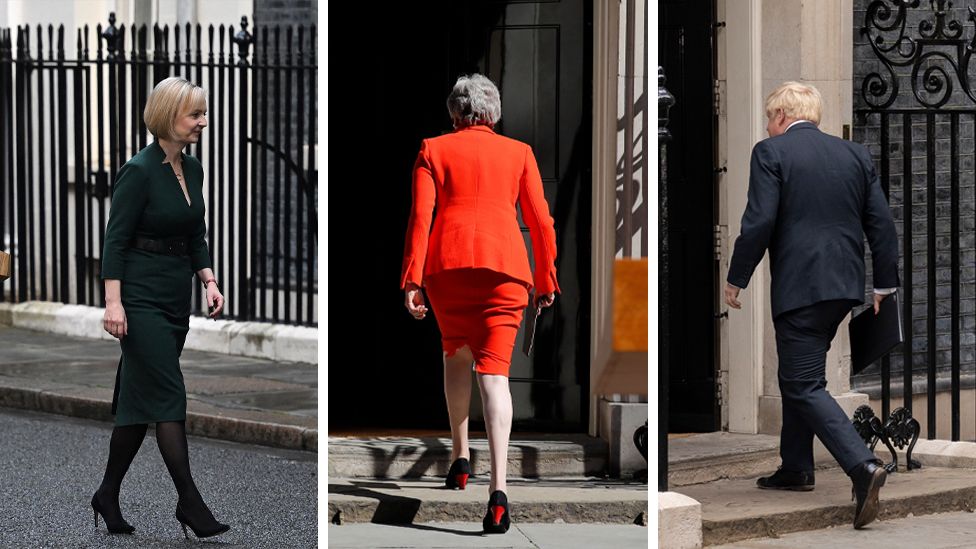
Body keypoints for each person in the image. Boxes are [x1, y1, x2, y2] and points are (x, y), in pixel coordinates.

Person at [725, 81, 900, 529]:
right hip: (844, 286)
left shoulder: (772, 152)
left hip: (801, 288)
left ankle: (862, 465)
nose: (767, 126)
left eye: (769, 118)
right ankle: (795, 467)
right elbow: (881, 224)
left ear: (783, 115)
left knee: (802, 385)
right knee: (801, 375)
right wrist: (884, 285)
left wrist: (735, 278)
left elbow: (759, 220)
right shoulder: (853, 154)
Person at [401, 74, 560, 534]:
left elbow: (420, 217)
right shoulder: (519, 153)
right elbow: (541, 222)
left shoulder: (433, 149)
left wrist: (411, 278)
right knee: (494, 376)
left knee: (455, 354)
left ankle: (458, 456)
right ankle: (499, 494)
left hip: (447, 270)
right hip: (505, 272)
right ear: (494, 114)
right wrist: (546, 276)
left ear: (455, 114)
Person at [92, 76, 230, 539]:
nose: (203, 122)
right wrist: (114, 303)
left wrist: (207, 280)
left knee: (137, 402)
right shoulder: (139, 170)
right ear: (169, 116)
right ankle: (189, 501)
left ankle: (107, 494)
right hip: (140, 298)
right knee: (169, 396)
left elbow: (195, 232)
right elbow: (115, 240)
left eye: (203, 113)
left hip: (175, 299)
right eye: (195, 114)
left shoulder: (192, 170)